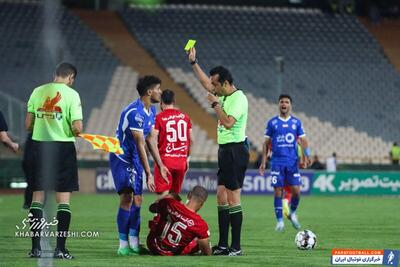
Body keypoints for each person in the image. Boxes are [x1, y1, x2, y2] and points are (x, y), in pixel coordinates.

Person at [188, 47, 249, 256]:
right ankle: (223, 245)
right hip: (225, 150)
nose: (212, 87)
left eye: (216, 84)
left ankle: (236, 247)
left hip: (236, 151)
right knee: (221, 197)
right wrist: (194, 63)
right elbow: (206, 83)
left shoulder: (238, 98)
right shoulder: (223, 94)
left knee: (233, 198)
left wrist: (214, 104)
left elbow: (228, 122)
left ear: (225, 83)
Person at [25, 62, 82, 259]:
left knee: (37, 197)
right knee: (63, 200)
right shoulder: (72, 95)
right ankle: (60, 249)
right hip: (62, 148)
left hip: (39, 146)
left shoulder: (37, 91)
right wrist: (76, 131)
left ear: (55, 74)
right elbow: (77, 128)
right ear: (70, 77)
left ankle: (35, 249)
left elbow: (28, 125)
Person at [109, 75, 170, 256]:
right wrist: (149, 173)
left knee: (138, 200)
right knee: (127, 198)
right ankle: (123, 245)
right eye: (158, 89)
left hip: (135, 157)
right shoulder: (135, 112)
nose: (160, 92)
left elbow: (151, 140)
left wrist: (160, 165)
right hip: (122, 157)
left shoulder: (151, 112)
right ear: (149, 91)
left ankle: (135, 244)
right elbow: (140, 143)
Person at [259, 94, 311, 232]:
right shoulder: (272, 123)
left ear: (290, 105)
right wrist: (263, 162)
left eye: (287, 102)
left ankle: (292, 212)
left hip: (292, 163)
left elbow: (303, 141)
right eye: (281, 101)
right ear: (278, 104)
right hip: (276, 162)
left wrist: (308, 155)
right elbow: (265, 144)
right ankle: (280, 221)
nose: (284, 104)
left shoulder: (296, 123)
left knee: (297, 192)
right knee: (278, 192)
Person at [147, 186, 211, 256]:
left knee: (160, 215)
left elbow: (152, 208)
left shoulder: (170, 203)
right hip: (171, 253)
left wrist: (169, 197)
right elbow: (207, 253)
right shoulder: (200, 224)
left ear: (189, 195)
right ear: (202, 204)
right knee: (200, 240)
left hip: (152, 245)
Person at [153, 89, 193, 198]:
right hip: (181, 162)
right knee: (174, 196)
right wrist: (187, 159)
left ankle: (160, 215)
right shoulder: (185, 118)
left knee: (163, 195)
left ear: (161, 102)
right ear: (174, 101)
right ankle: (171, 215)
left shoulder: (158, 118)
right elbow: (191, 140)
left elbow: (153, 139)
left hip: (165, 161)